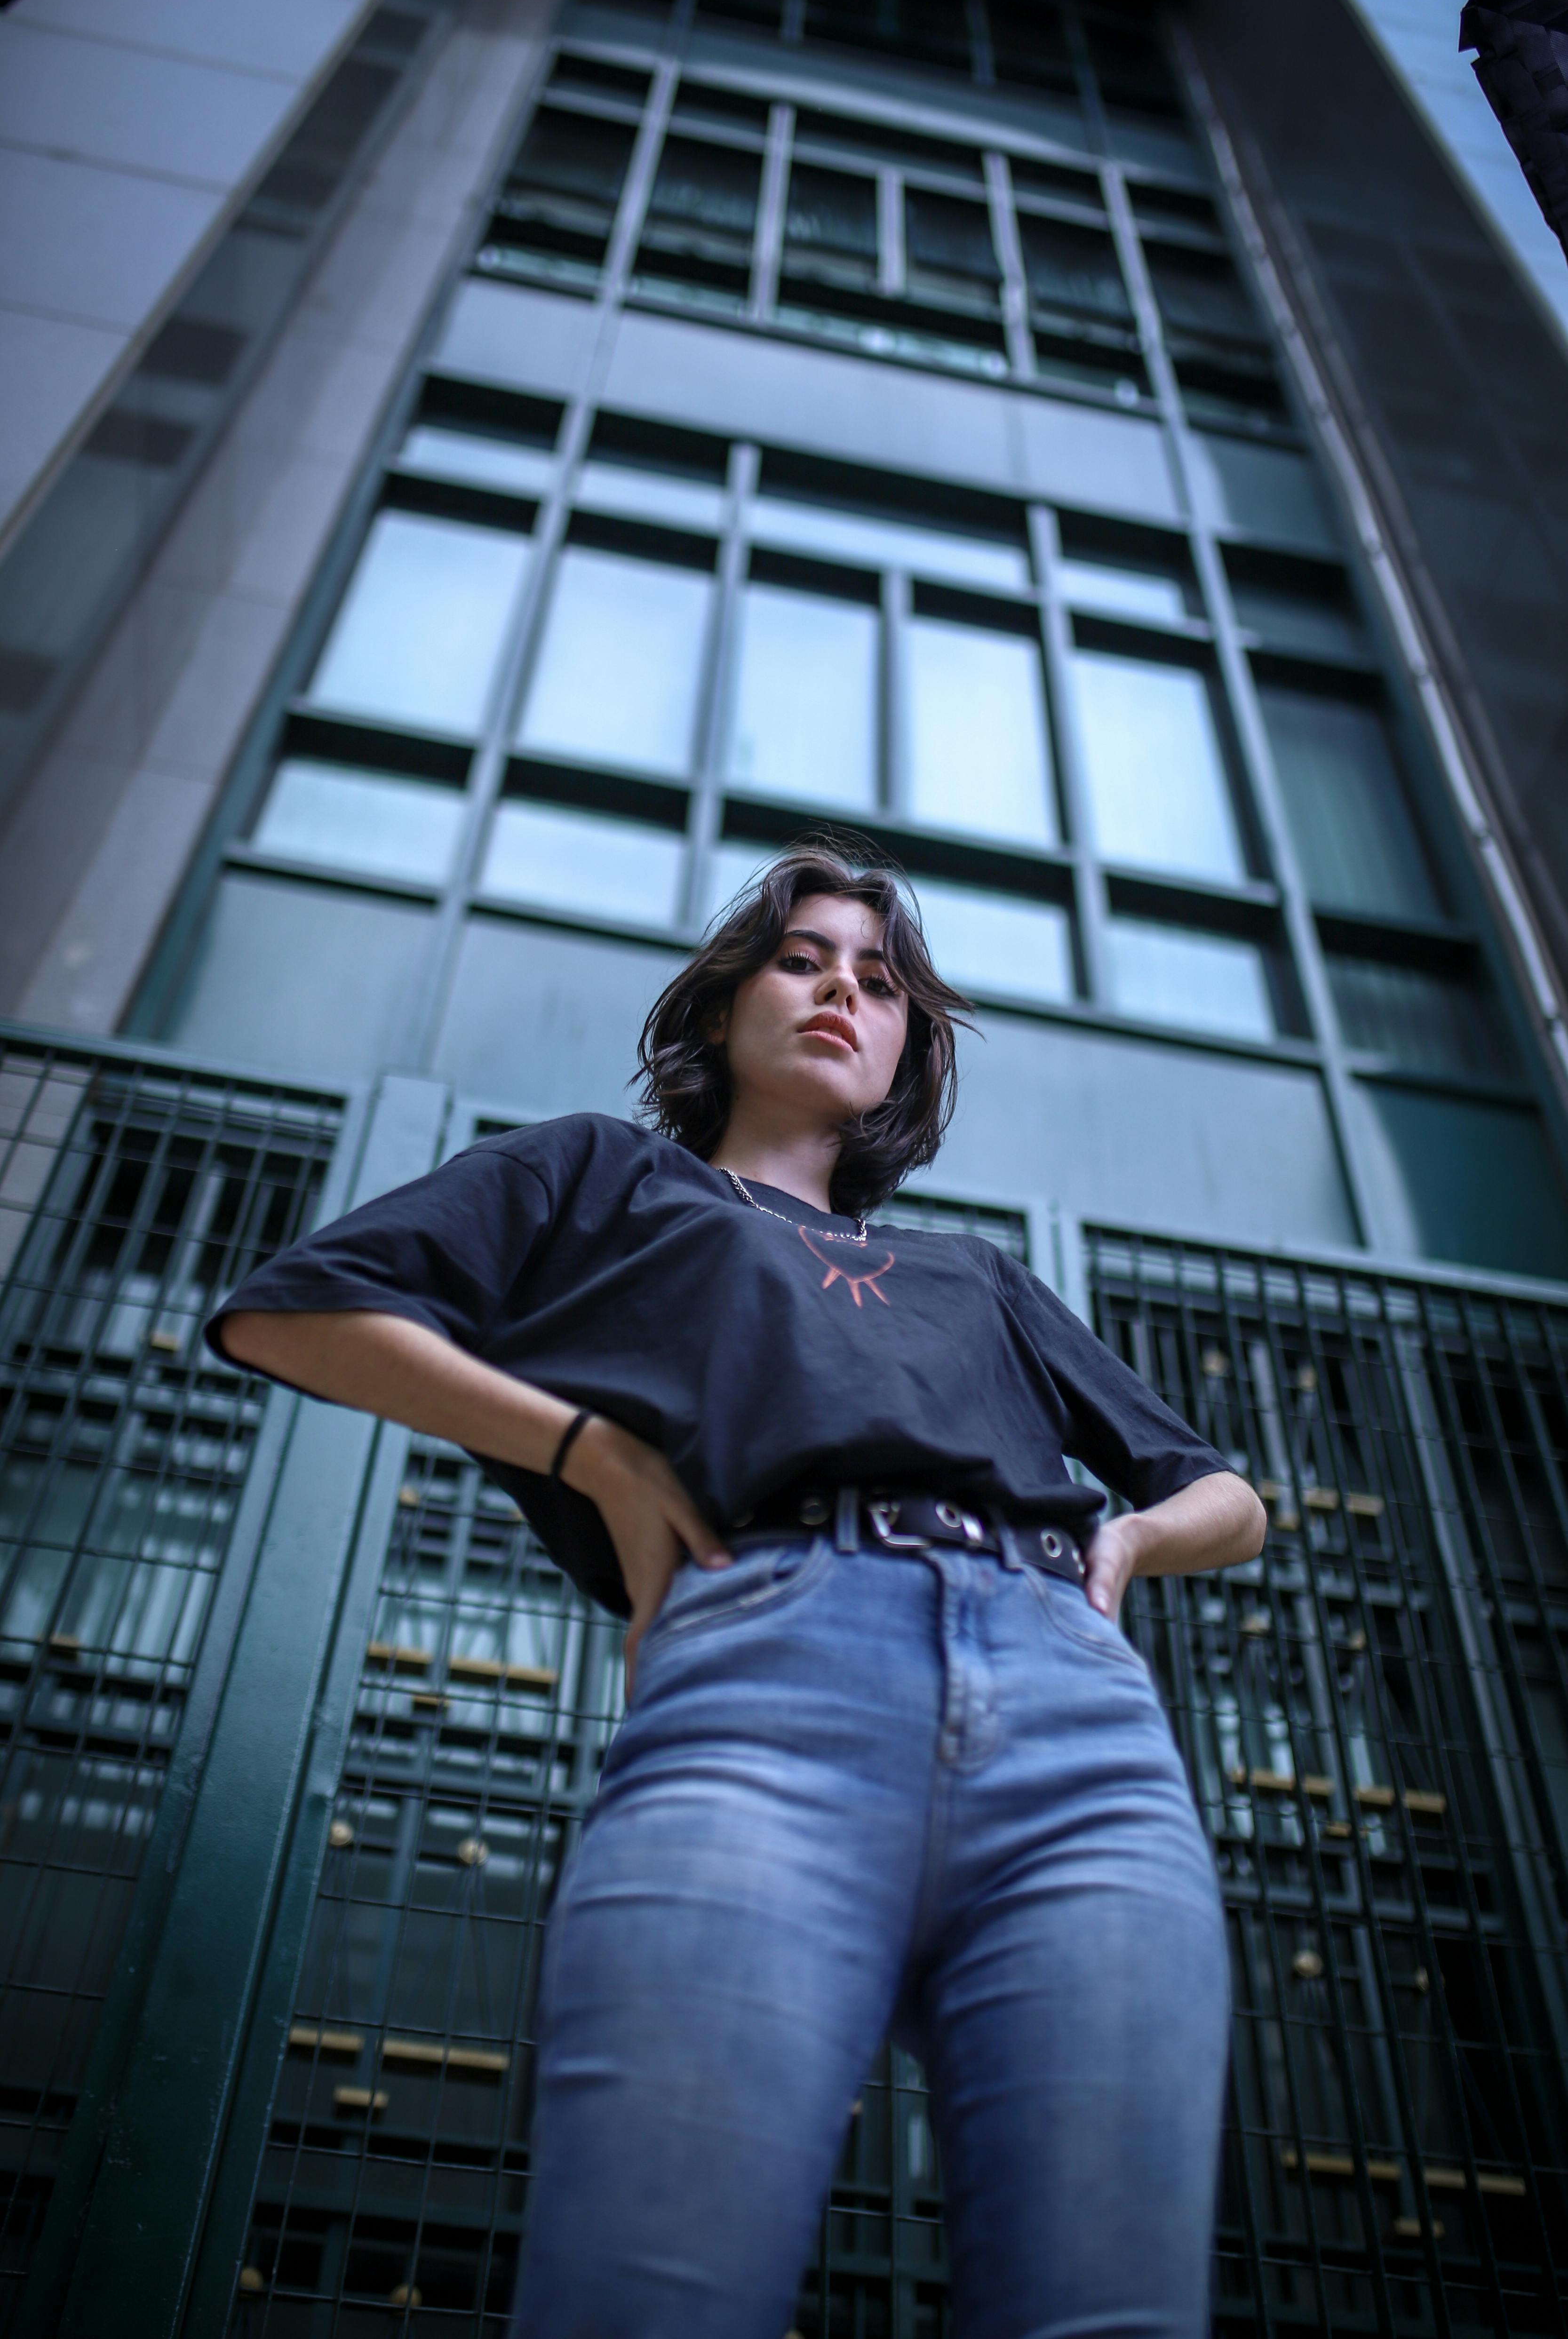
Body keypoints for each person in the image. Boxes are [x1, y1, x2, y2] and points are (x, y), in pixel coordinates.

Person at [208, 841, 1265, 2339]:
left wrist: (1134, 1545)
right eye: (804, 958)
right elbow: (295, 1313)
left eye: (880, 979)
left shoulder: (977, 1276)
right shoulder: (598, 1173)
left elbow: (1228, 1496)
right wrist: (595, 1458)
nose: (844, 986)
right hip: (766, 1696)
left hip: (1078, 1735)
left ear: (904, 1046)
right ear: (720, 1013)